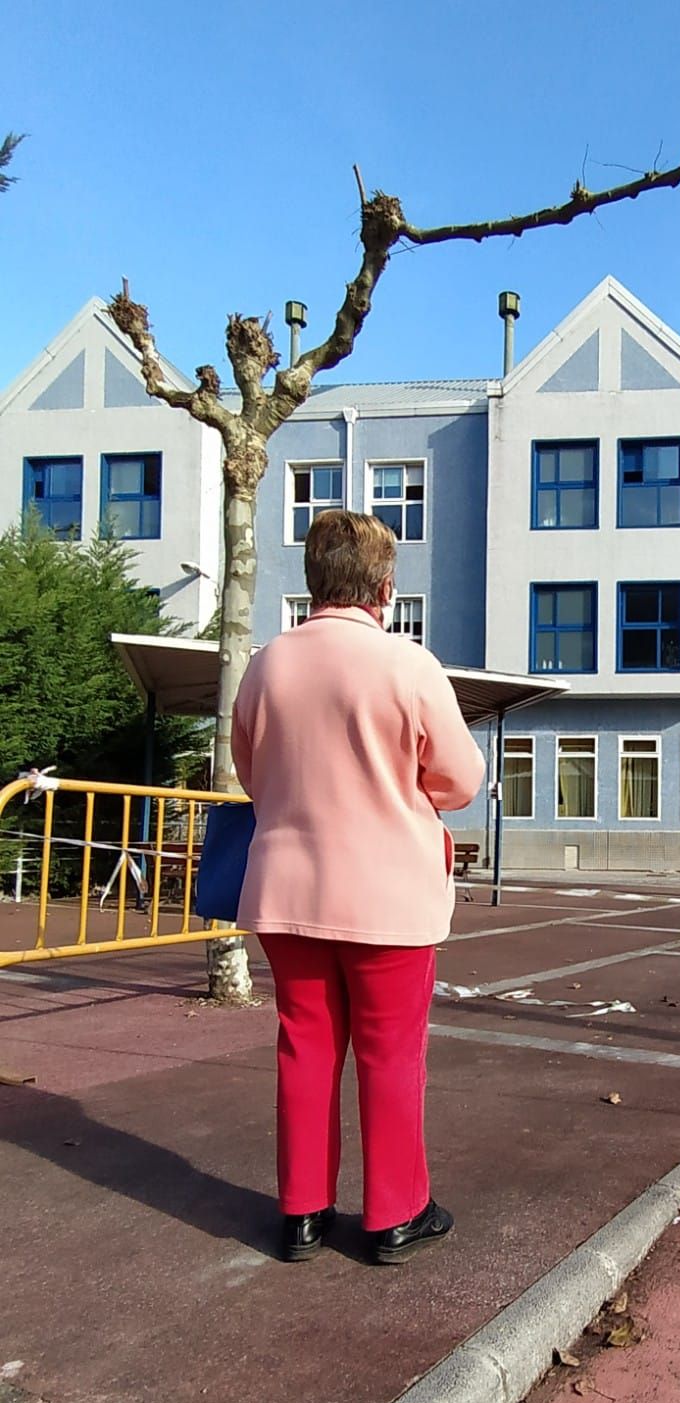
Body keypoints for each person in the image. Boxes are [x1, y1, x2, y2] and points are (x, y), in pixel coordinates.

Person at [231, 510, 485, 1264]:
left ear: (312, 582)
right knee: (390, 1053)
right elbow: (462, 779)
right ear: (384, 587)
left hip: (285, 888)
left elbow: (251, 770)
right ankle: (395, 1214)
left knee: (304, 1048)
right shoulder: (406, 665)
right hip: (386, 895)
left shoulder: (266, 664)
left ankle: (302, 1212)